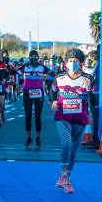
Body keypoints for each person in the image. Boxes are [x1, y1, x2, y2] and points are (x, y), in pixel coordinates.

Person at [50, 48, 91, 194]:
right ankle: (63, 174)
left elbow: (95, 94)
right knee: (66, 143)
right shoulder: (59, 77)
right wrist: (54, 101)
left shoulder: (87, 78)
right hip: (63, 116)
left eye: (76, 61)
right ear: (66, 63)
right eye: (71, 61)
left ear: (80, 63)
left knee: (74, 151)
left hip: (80, 118)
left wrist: (90, 89)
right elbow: (52, 90)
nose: (73, 64)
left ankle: (66, 179)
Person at [18, 50, 53, 149]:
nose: (33, 58)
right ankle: (28, 137)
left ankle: (38, 137)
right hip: (27, 92)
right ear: (29, 57)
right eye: (31, 57)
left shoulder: (42, 67)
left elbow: (53, 74)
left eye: (35, 56)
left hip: (39, 93)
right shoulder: (25, 66)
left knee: (38, 116)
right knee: (28, 116)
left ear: (38, 57)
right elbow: (14, 71)